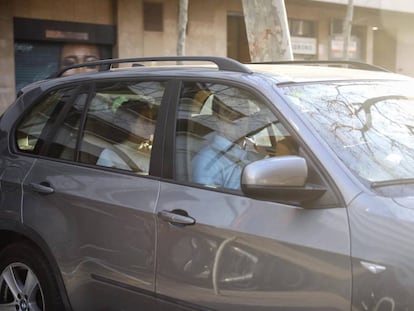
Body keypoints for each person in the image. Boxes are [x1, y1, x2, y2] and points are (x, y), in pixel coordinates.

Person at [96, 99, 157, 173]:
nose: (151, 125)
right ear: (129, 124)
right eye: (146, 120)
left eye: (151, 120)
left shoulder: (154, 151)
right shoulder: (110, 155)